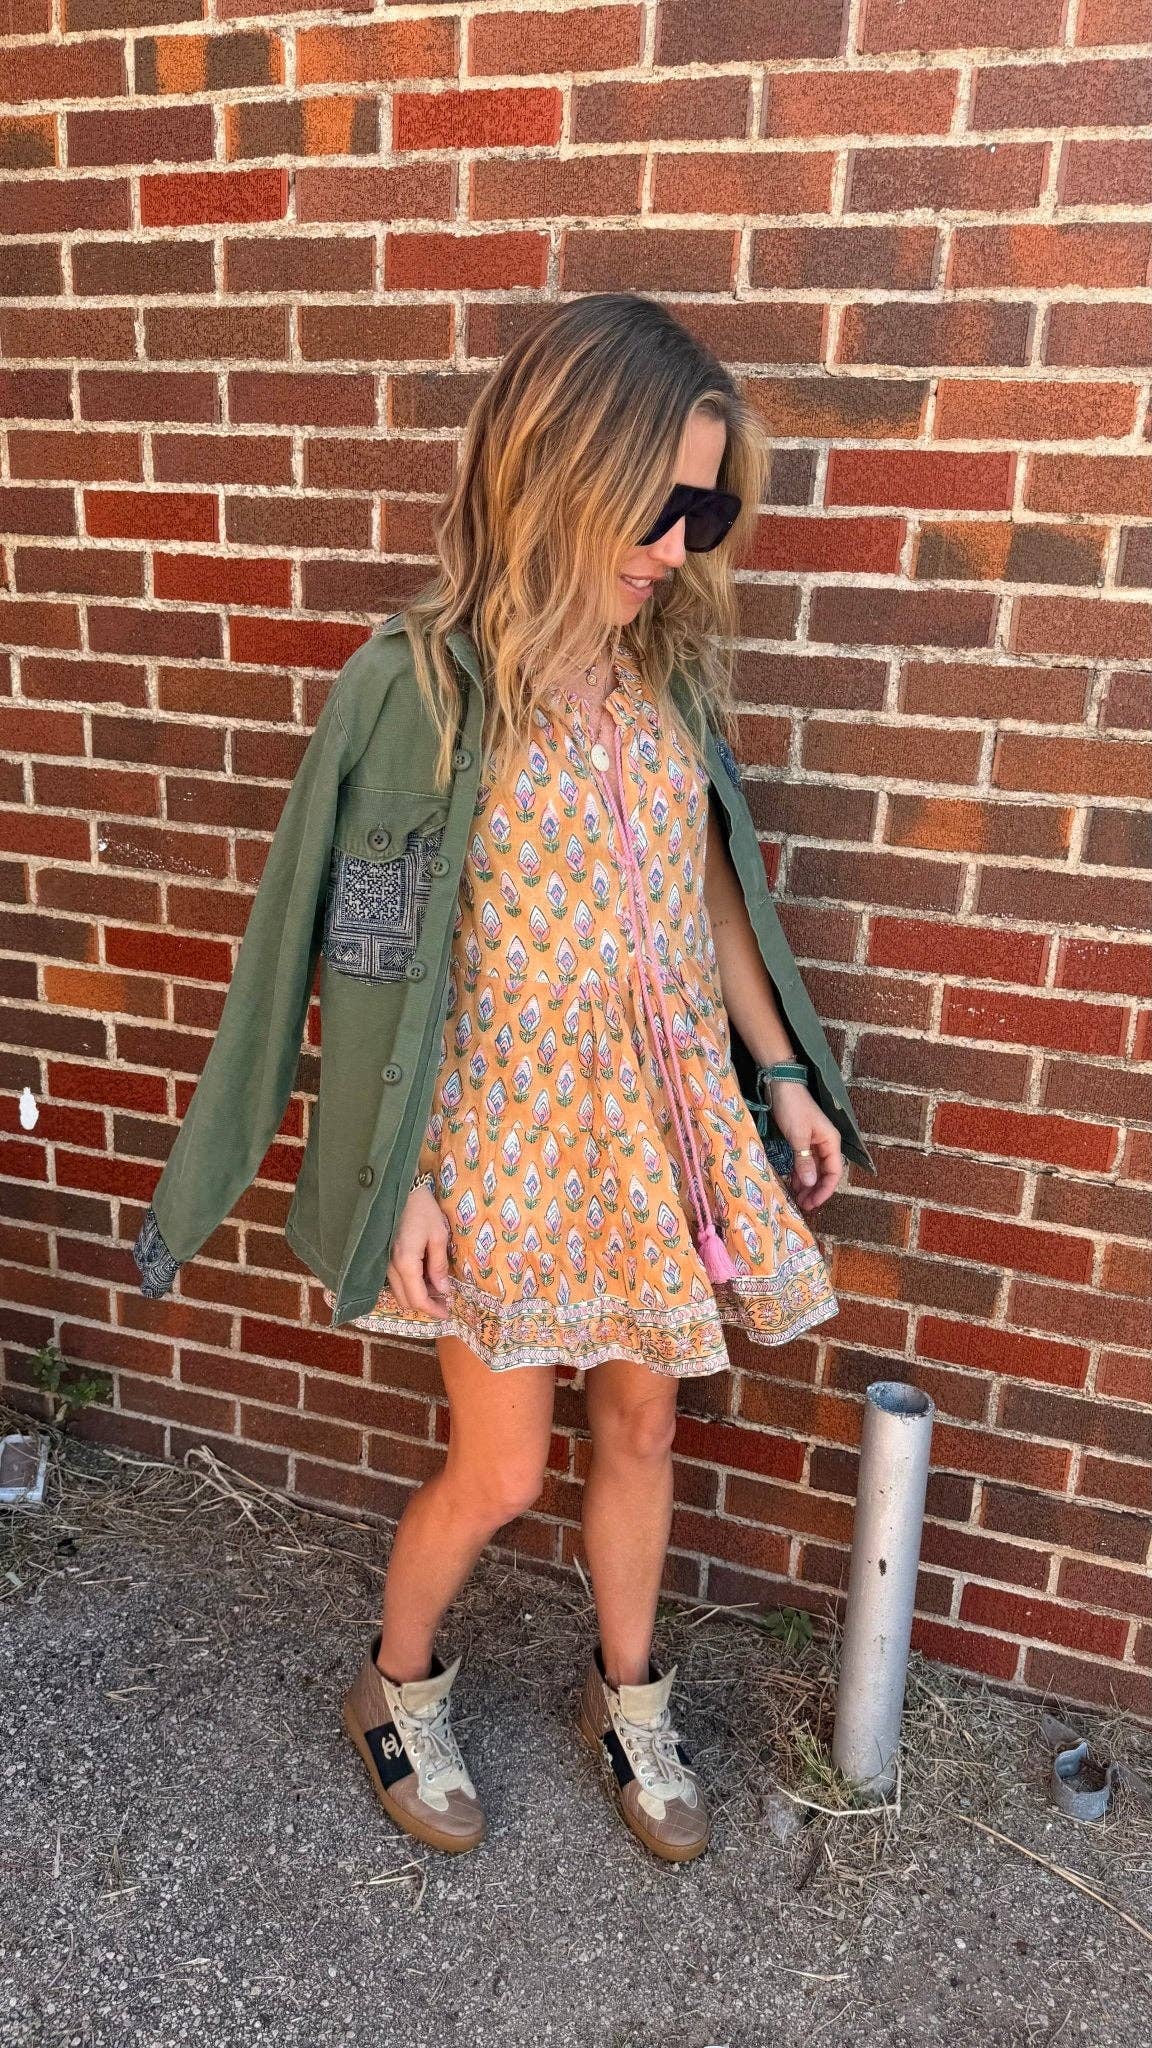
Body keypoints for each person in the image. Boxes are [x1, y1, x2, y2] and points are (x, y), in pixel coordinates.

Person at [336, 294, 856, 1865]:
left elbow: (712, 898)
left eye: (709, 513)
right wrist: (398, 1174)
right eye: (658, 505)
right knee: (501, 1466)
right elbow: (369, 958)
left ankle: (628, 1699)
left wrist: (782, 1073)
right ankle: (392, 1686)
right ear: (560, 468)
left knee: (642, 1433)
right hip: (498, 1136)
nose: (681, 547)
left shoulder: (666, 684)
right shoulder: (425, 690)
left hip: (659, 1136)